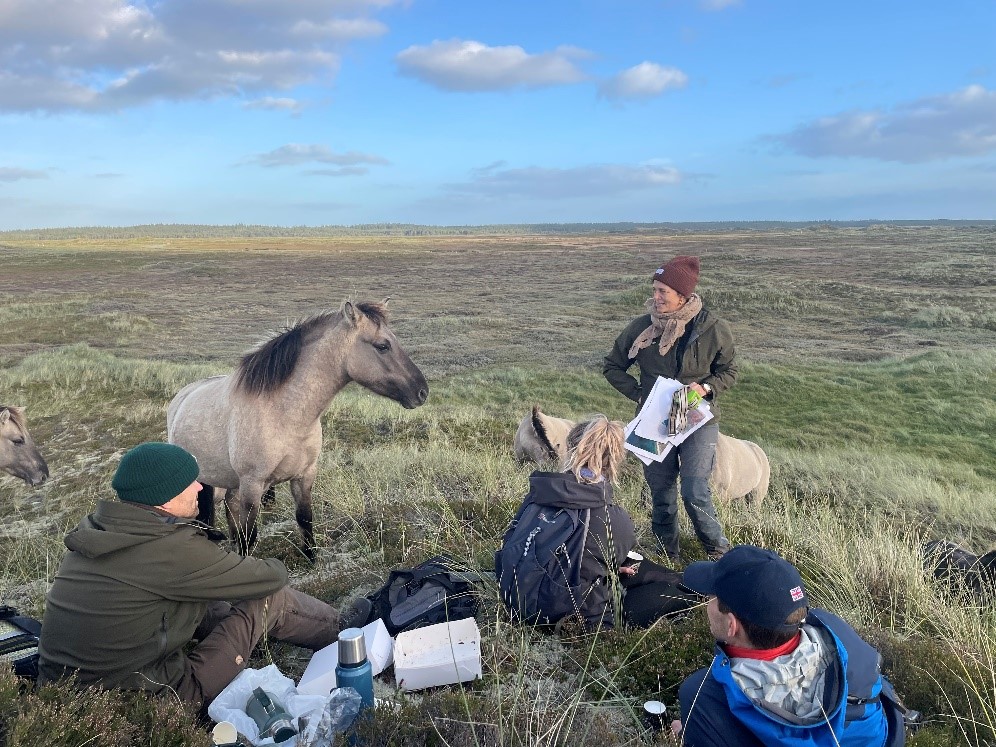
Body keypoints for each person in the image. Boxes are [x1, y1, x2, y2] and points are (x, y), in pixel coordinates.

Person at [37, 442, 364, 708]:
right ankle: (349, 634)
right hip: (152, 700)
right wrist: (224, 572)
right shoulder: (167, 548)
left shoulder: (100, 531)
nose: (199, 486)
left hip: (64, 696)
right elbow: (271, 577)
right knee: (269, 601)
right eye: (187, 482)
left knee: (209, 603)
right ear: (163, 498)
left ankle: (261, 641)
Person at [673, 545, 903, 747]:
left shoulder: (704, 695)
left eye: (711, 598)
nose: (707, 603)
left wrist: (695, 728)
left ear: (732, 625)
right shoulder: (835, 630)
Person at [497, 416, 698, 630]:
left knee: (642, 569)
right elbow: (612, 555)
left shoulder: (540, 491)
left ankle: (689, 582)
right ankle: (700, 593)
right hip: (568, 617)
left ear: (570, 445)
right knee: (670, 590)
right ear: (614, 460)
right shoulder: (612, 517)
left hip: (516, 597)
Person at [603, 255, 737, 561]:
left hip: (696, 420)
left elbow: (729, 371)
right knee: (660, 491)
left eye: (663, 291)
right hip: (653, 421)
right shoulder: (641, 328)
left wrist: (705, 389)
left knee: (694, 490)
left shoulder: (713, 328)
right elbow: (612, 367)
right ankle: (667, 553)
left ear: (683, 296)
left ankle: (717, 550)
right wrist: (640, 394)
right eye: (655, 289)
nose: (656, 297)